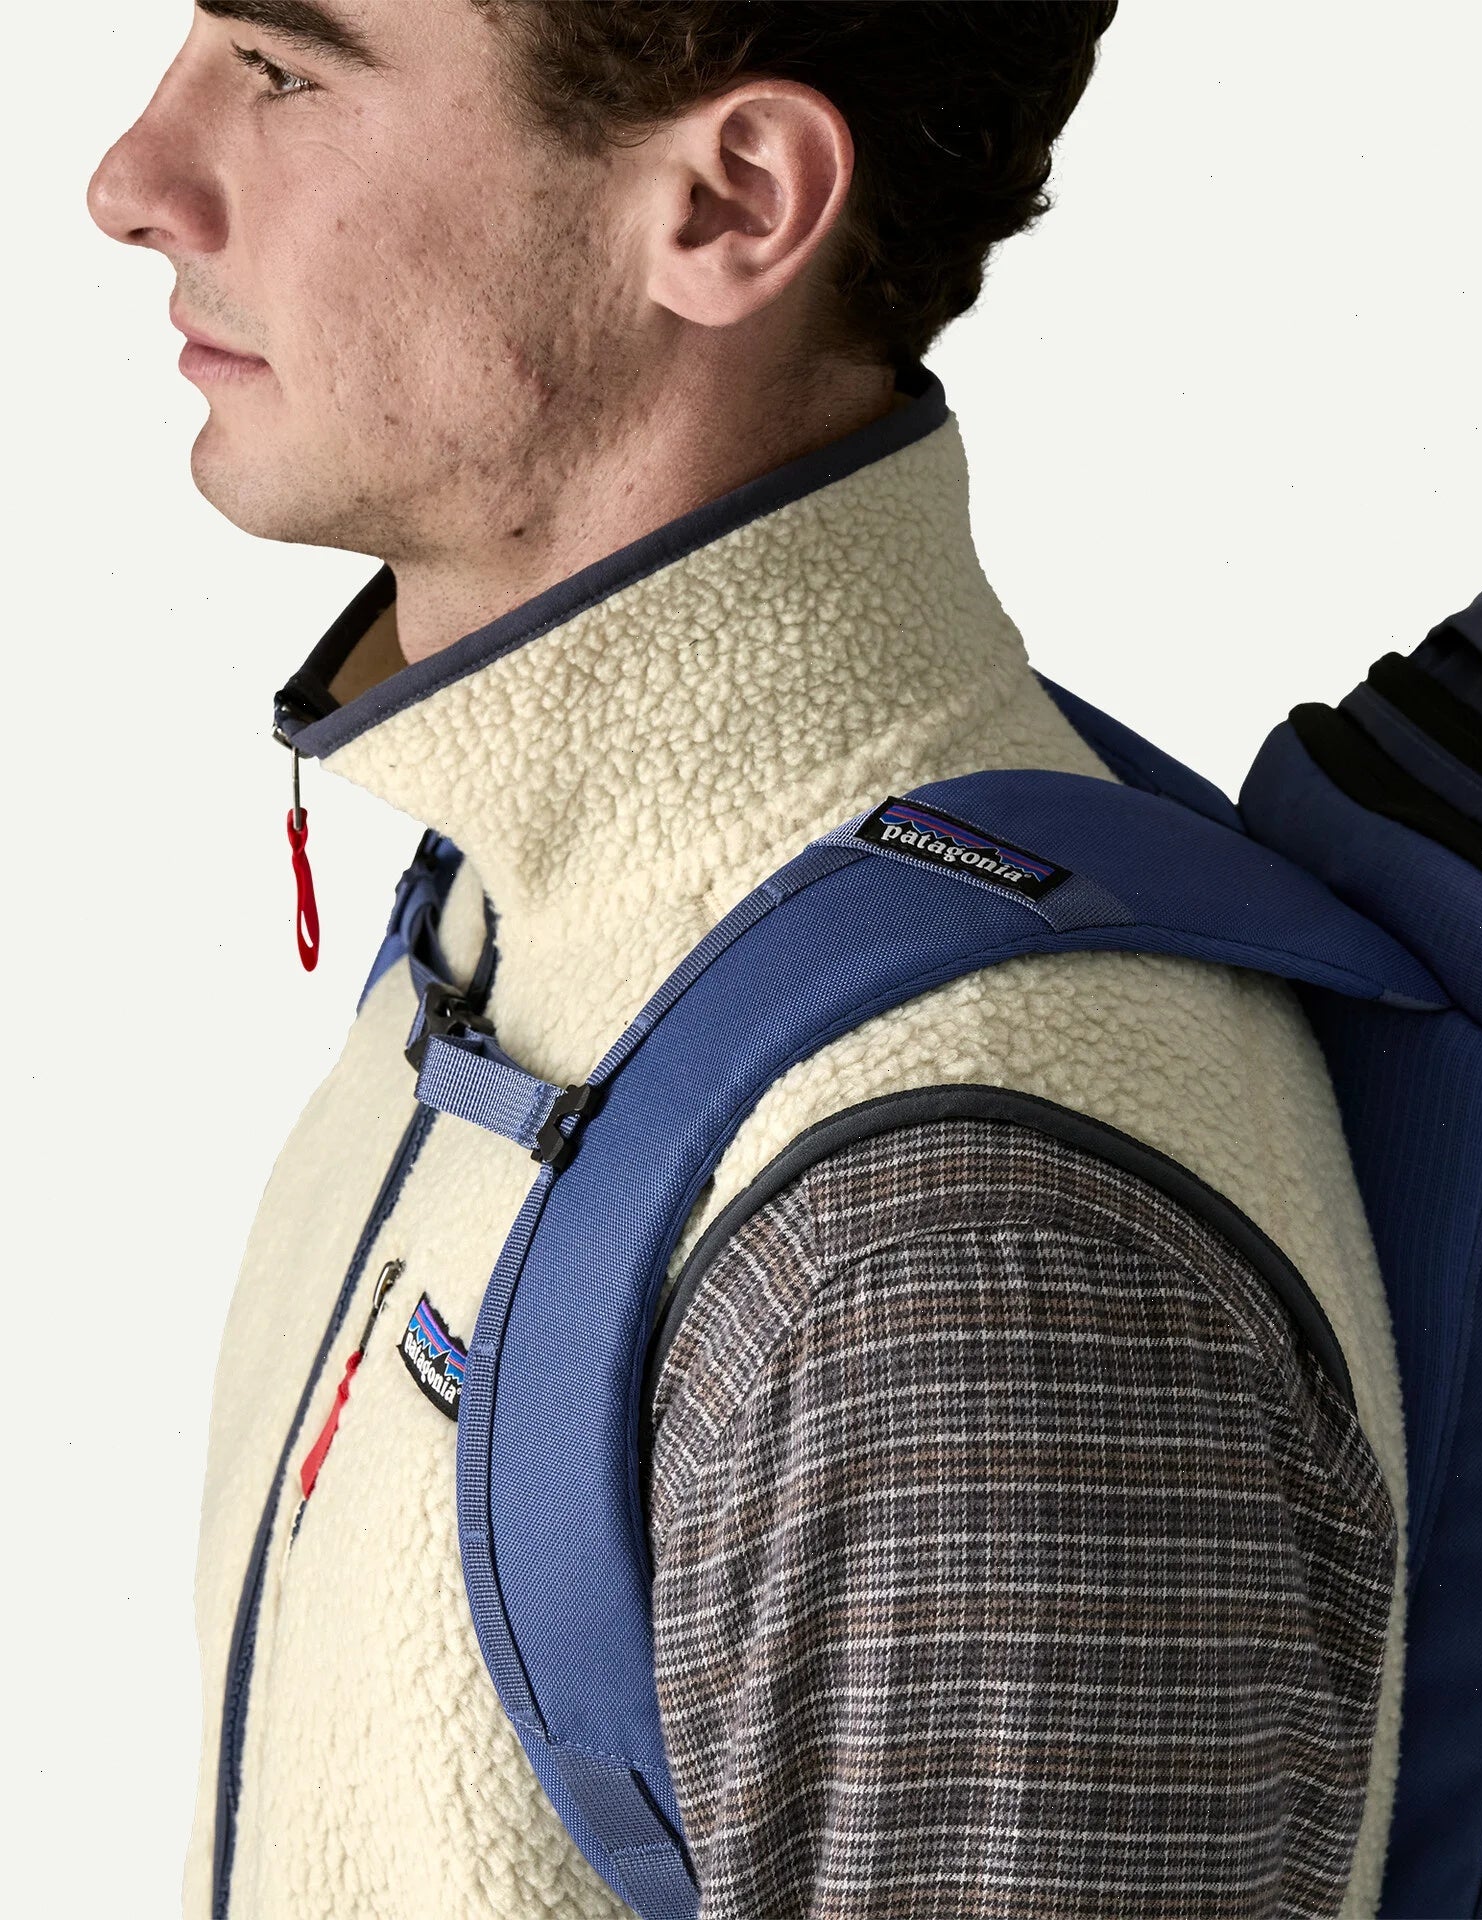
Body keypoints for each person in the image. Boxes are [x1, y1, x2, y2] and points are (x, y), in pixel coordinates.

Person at [90, 5, 1405, 1915]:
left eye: (286, 69)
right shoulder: (543, 908)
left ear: (731, 204)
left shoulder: (955, 1248)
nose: (131, 180)